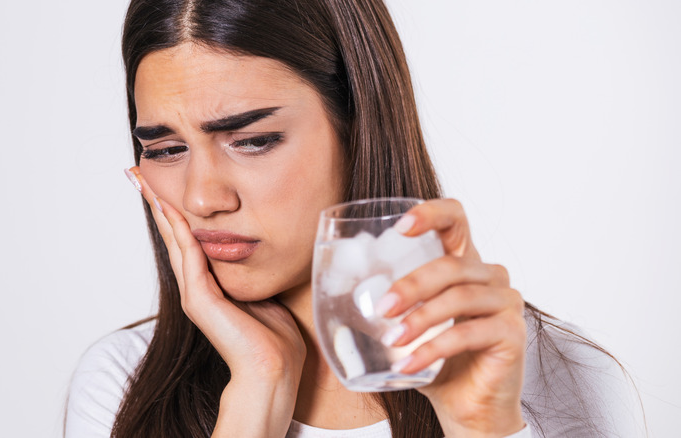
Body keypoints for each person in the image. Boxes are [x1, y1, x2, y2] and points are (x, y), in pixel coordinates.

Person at [65, 0, 644, 437]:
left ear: (359, 126)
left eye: (254, 139)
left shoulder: (557, 376)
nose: (202, 198)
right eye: (166, 149)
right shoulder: (124, 383)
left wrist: (481, 428)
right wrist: (255, 394)